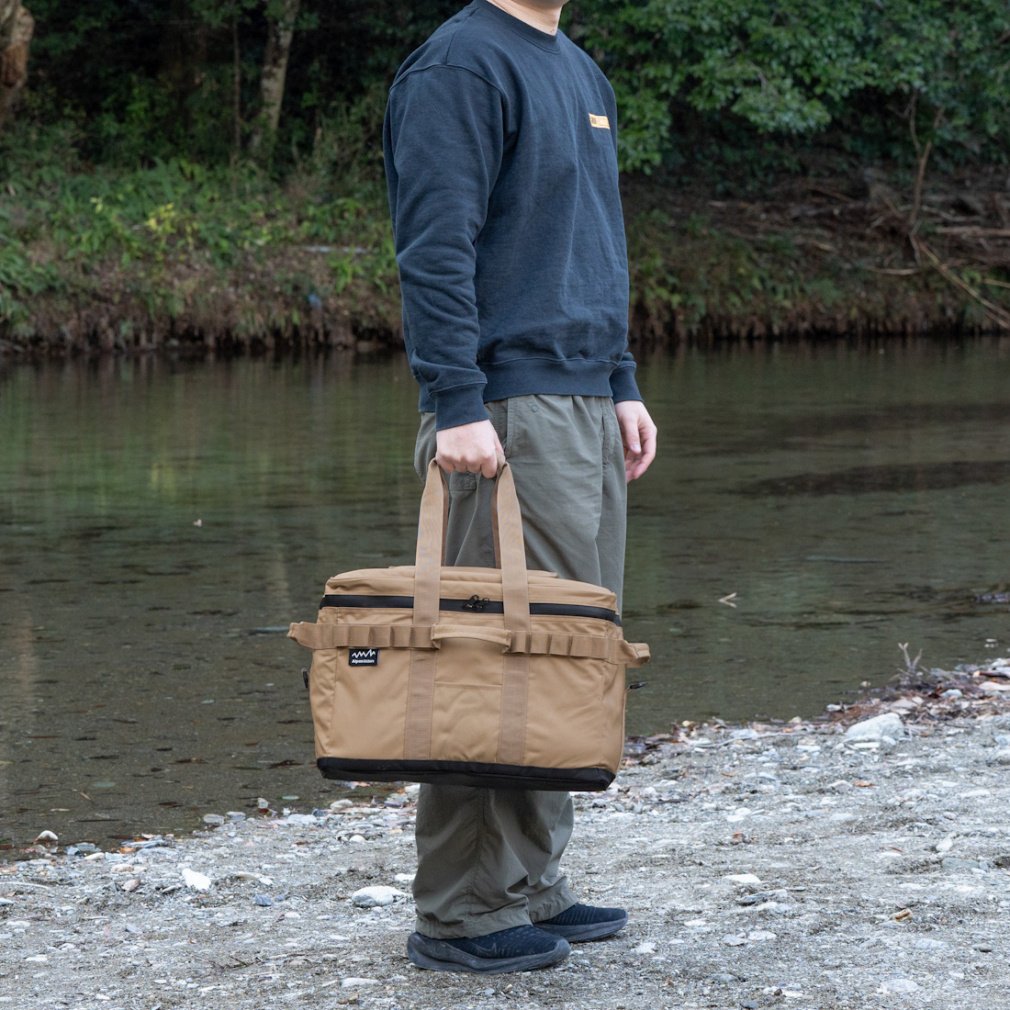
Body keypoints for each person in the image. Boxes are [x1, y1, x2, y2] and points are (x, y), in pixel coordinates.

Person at [383, 0, 657, 974]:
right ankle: (461, 908)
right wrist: (456, 399)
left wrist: (620, 379)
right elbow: (434, 245)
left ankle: (530, 882)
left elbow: (591, 242)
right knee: (491, 656)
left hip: (580, 399)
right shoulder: (459, 65)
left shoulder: (578, 69)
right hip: (502, 411)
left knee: (563, 650)